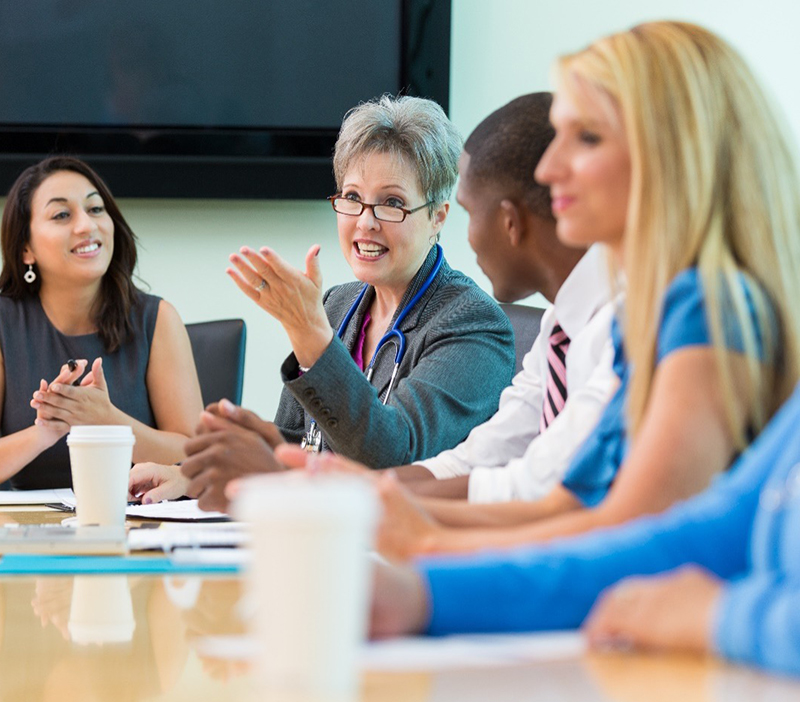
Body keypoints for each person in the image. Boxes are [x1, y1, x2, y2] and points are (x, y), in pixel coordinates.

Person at [365, 21, 800, 679]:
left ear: (673, 153)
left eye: (586, 137)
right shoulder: (650, 320)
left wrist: (429, 567)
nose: (546, 168)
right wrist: (423, 543)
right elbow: (589, 508)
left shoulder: (706, 307)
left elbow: (643, 534)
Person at [129, 95, 515, 508]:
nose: (365, 222)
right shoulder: (338, 305)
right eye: (352, 196)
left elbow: (393, 458)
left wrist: (310, 334)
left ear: (437, 215)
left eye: (392, 202)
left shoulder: (471, 324)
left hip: (412, 552)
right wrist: (196, 474)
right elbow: (298, 445)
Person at [384, 92, 617, 504]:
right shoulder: (559, 327)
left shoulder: (622, 323)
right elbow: (480, 459)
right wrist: (338, 489)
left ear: (510, 222)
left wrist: (358, 501)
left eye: (469, 212)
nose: (467, 236)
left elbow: (541, 485)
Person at [0, 156, 203, 489]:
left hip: (136, 525)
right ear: (26, 249)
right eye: (62, 214)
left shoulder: (158, 318)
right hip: (24, 533)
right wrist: (47, 430)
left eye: (95, 210)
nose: (86, 226)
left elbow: (197, 458)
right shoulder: (4, 321)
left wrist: (106, 421)